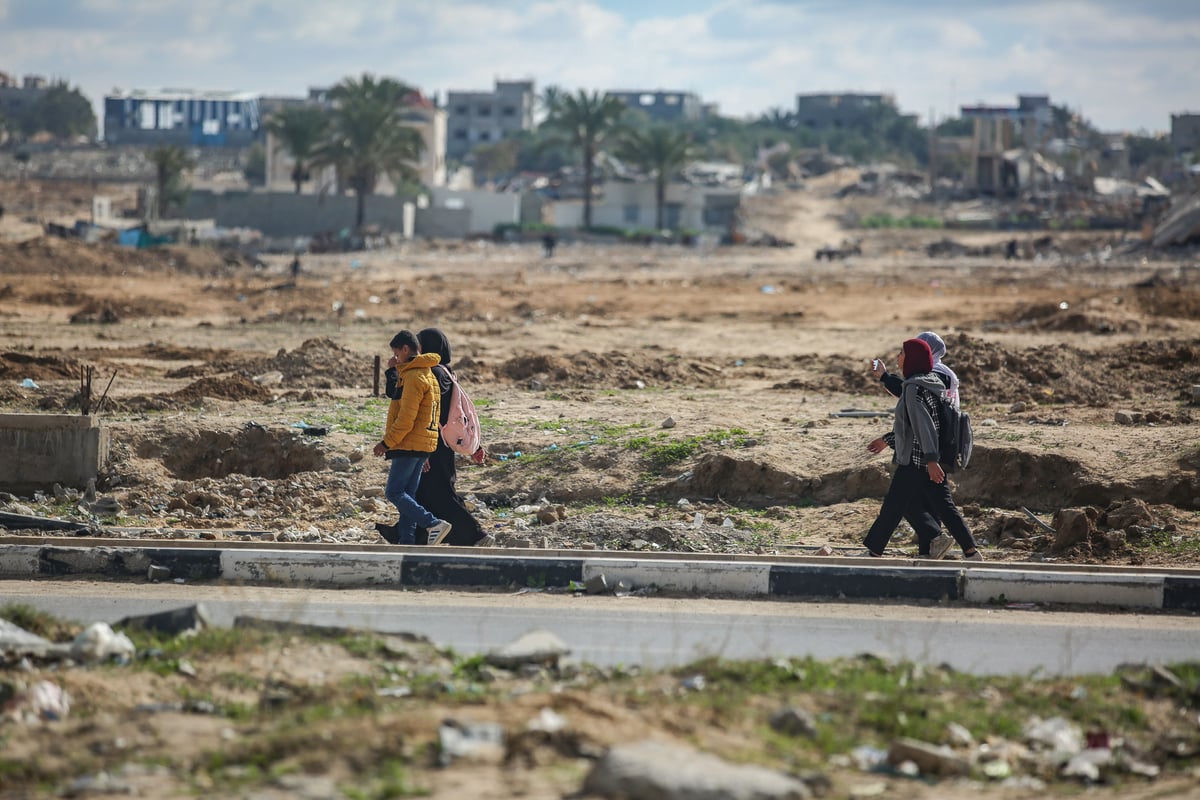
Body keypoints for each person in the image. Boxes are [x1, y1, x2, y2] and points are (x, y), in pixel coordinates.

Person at [862, 338, 982, 561]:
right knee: (943, 507)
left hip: (917, 461)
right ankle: (970, 551)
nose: (898, 357)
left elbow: (923, 426)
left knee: (893, 507)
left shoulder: (914, 388)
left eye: (902, 353)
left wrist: (931, 460)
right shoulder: (928, 382)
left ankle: (873, 552)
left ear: (912, 359)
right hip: (926, 459)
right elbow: (916, 425)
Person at [394, 327, 490, 546]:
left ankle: (475, 535)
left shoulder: (433, 375)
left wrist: (423, 450)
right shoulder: (446, 372)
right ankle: (417, 539)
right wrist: (475, 447)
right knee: (431, 493)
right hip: (441, 443)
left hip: (432, 444)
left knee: (438, 495)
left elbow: (429, 413)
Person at [373, 330, 452, 546]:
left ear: (405, 349)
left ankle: (433, 523)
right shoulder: (427, 373)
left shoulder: (414, 377)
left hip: (407, 443)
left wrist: (386, 443)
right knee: (408, 493)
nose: (396, 358)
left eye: (397, 354)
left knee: (394, 492)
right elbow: (401, 397)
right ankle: (406, 541)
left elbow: (406, 419)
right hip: (421, 444)